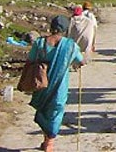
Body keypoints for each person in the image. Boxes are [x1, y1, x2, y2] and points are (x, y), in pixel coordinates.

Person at [28, 15, 83, 151]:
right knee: (56, 111)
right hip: (59, 86)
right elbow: (80, 60)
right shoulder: (70, 45)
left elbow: (30, 60)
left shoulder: (39, 43)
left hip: (41, 84)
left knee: (44, 110)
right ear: (65, 29)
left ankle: (46, 139)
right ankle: (50, 142)